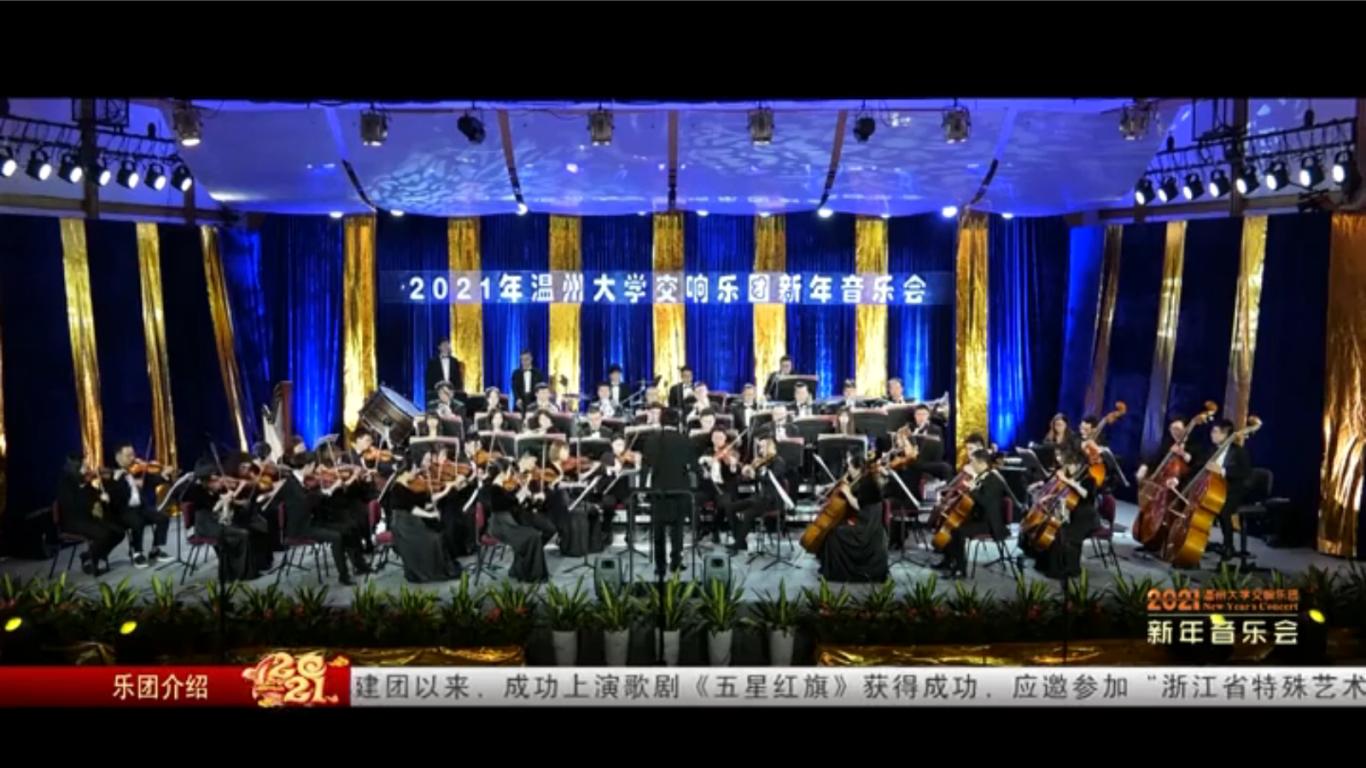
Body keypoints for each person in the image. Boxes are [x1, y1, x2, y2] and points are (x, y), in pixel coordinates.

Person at [1025, 449, 1098, 580]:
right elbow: (1062, 496)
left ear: (1078, 464)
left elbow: (1085, 494)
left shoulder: (1089, 479)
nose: (1067, 468)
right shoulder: (1070, 476)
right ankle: (1044, 564)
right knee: (1052, 526)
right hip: (1071, 513)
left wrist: (1067, 481)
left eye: (1069, 464)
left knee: (1059, 533)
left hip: (1084, 517)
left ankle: (1063, 569)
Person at [935, 449, 1008, 578]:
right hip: (977, 517)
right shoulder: (981, 476)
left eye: (973, 462)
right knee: (950, 524)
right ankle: (948, 560)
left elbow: (985, 502)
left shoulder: (993, 480)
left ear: (982, 463)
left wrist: (973, 489)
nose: (970, 464)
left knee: (957, 531)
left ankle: (960, 569)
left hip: (989, 523)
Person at [817, 456, 889, 583]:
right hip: (869, 522)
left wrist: (847, 493)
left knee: (833, 534)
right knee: (835, 529)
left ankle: (836, 573)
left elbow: (858, 505)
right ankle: (830, 569)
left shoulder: (867, 483)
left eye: (850, 466)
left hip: (866, 528)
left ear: (857, 468)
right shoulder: (865, 479)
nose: (848, 469)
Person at [485, 456, 555, 582]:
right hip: (501, 525)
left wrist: (528, 497)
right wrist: (519, 496)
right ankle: (531, 574)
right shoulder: (492, 488)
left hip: (511, 520)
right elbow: (500, 505)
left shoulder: (504, 485)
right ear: (502, 473)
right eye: (509, 471)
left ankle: (522, 567)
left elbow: (513, 502)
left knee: (537, 534)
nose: (511, 474)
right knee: (533, 536)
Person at [106, 442, 174, 568]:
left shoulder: (136, 471)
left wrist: (164, 475)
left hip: (140, 507)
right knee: (137, 521)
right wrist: (118, 481)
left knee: (163, 518)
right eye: (128, 456)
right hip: (123, 511)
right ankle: (137, 553)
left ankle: (155, 550)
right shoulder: (112, 475)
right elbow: (113, 497)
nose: (132, 458)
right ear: (118, 457)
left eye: (133, 454)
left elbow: (152, 480)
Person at [639, 424, 695, 574]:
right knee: (678, 529)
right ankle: (676, 562)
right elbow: (692, 464)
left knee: (658, 529)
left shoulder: (652, 439)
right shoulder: (684, 439)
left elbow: (645, 466)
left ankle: (660, 566)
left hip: (659, 490)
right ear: (677, 423)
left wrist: (642, 487)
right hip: (680, 489)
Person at [56, 455, 123, 575]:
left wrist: (103, 495)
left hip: (88, 519)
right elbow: (74, 506)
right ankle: (93, 562)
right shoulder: (66, 484)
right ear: (76, 468)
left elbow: (94, 495)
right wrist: (87, 492)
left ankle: (89, 555)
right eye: (84, 466)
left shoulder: (84, 481)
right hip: (73, 522)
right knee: (104, 534)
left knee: (119, 532)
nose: (87, 468)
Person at [724, 437, 789, 554]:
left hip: (772, 499)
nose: (760, 450)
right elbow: (750, 478)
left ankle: (738, 544)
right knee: (729, 508)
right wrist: (744, 472)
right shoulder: (760, 461)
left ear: (770, 447)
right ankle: (740, 540)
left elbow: (770, 479)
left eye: (763, 447)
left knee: (748, 513)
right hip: (759, 497)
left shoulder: (778, 462)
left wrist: (755, 475)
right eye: (760, 447)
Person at [1205, 418, 1251, 561]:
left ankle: (1228, 546)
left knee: (1223, 510)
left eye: (1215, 432)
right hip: (1216, 489)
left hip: (1233, 491)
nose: (1212, 434)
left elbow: (1245, 473)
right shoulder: (1212, 450)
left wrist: (1223, 471)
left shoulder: (1239, 452)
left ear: (1225, 434)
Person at [696, 427, 740, 543]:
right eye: (715, 437)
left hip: (724, 488)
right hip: (708, 488)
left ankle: (737, 538)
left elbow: (734, 473)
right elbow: (699, 468)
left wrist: (732, 465)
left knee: (726, 504)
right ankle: (699, 530)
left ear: (725, 439)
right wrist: (704, 469)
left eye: (720, 437)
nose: (718, 440)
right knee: (692, 501)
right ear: (711, 439)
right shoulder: (707, 452)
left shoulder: (731, 452)